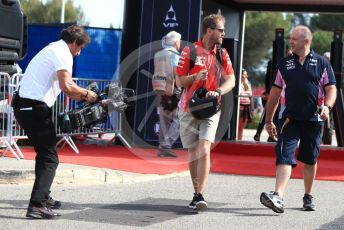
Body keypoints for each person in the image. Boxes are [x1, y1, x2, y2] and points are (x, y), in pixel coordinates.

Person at [13, 25, 98, 219]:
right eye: (80, 48)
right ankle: (37, 206)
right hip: (33, 108)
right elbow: (67, 86)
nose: (79, 52)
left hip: (27, 107)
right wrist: (87, 94)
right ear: (75, 42)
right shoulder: (63, 53)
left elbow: (67, 87)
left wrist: (82, 95)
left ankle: (45, 196)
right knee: (50, 158)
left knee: (44, 153)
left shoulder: (53, 48)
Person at [260, 25, 337, 213]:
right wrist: (268, 121)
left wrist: (327, 106)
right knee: (284, 155)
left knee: (309, 159)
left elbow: (331, 89)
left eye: (294, 39)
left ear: (306, 41)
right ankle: (278, 196)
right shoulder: (284, 63)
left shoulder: (321, 63)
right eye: (291, 38)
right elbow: (275, 93)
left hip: (314, 119)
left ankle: (308, 195)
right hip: (289, 119)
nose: (291, 42)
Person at [175, 14, 235, 211]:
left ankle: (200, 194)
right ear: (209, 30)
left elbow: (231, 80)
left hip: (211, 108)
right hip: (188, 108)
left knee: (204, 148)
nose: (223, 34)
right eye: (221, 30)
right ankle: (195, 193)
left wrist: (218, 91)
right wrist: (194, 77)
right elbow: (178, 82)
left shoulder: (222, 53)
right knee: (193, 153)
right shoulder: (190, 50)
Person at [153, 31, 181, 157]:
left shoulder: (158, 54)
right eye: (179, 41)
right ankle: (166, 145)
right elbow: (176, 72)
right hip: (171, 88)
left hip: (158, 87)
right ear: (176, 42)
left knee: (163, 118)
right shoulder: (174, 54)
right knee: (179, 118)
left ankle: (162, 148)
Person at [238, 69, 252, 140]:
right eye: (244, 75)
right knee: (237, 127)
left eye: (246, 75)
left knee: (241, 127)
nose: (246, 76)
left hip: (246, 107)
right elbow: (239, 94)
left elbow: (251, 95)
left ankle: (239, 140)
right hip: (239, 108)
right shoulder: (237, 84)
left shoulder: (247, 83)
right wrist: (247, 93)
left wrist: (251, 109)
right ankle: (237, 140)